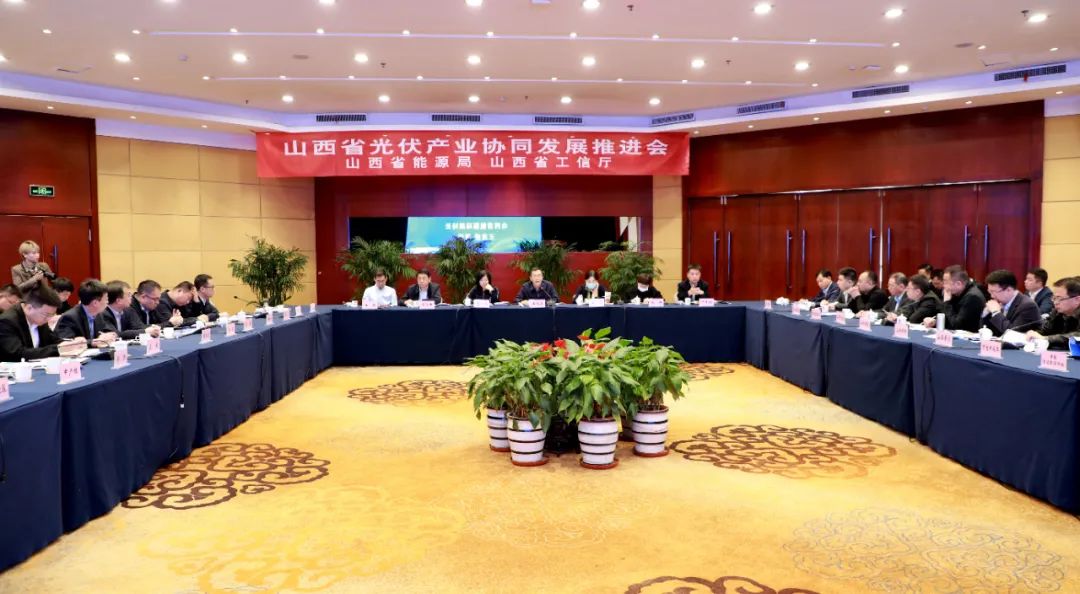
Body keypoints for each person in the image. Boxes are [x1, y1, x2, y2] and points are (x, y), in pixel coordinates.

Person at [0, 286, 86, 362]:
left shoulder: (39, 318)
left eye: (52, 315)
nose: (49, 319)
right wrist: (58, 349)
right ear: (29, 308)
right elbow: (19, 354)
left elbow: (54, 340)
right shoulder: (6, 321)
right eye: (47, 315)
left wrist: (73, 343)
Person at [55, 279, 118, 347]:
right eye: (106, 299)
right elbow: (66, 343)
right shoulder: (70, 318)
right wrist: (92, 342)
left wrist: (110, 335)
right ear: (95, 303)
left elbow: (109, 331)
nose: (107, 302)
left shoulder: (99, 314)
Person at [923, 265, 986, 332]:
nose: (944, 286)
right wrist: (935, 321)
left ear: (958, 284)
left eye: (946, 282)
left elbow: (956, 326)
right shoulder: (957, 293)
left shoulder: (972, 297)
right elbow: (950, 316)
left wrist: (947, 303)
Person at [981, 269, 1042, 336]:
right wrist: (986, 313)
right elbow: (986, 331)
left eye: (993, 292)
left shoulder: (1027, 306)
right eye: (990, 292)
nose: (992, 296)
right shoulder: (1000, 302)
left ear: (1008, 290)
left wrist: (996, 313)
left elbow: (1012, 334)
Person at [1027, 277, 1080, 350]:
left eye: (1059, 298)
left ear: (1077, 300)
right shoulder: (1057, 312)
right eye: (1054, 298)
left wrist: (1046, 339)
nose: (1055, 302)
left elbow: (1077, 337)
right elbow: (1045, 331)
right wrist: (1034, 334)